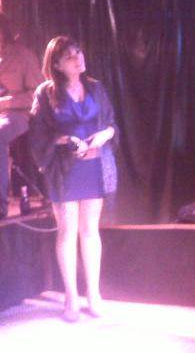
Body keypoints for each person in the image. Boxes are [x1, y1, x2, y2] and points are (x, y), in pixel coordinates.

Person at [30, 36, 117, 322]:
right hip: (64, 170)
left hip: (94, 167)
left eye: (79, 52)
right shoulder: (45, 93)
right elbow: (38, 133)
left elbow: (111, 124)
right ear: (56, 64)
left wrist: (104, 135)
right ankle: (70, 296)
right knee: (67, 231)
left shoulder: (96, 87)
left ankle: (94, 294)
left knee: (90, 231)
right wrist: (64, 140)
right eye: (70, 56)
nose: (78, 58)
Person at [0, 14, 44, 219]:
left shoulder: (24, 56)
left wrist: (5, 102)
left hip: (21, 114)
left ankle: (0, 204)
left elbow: (38, 94)